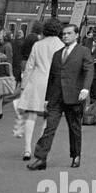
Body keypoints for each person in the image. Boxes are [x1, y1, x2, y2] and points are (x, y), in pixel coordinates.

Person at [26, 21, 94, 171]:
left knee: (74, 128)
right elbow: (52, 77)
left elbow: (89, 70)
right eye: (63, 34)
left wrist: (85, 89)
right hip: (56, 97)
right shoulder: (57, 54)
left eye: (69, 33)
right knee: (49, 128)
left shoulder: (83, 51)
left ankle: (76, 156)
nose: (66, 36)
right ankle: (40, 158)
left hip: (74, 96)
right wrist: (46, 99)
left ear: (76, 35)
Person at [15, 18, 64, 162]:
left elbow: (30, 66)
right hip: (53, 83)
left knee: (31, 115)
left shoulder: (38, 45)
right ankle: (39, 146)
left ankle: (27, 149)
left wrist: (24, 85)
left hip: (36, 81)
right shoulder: (62, 46)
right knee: (48, 117)